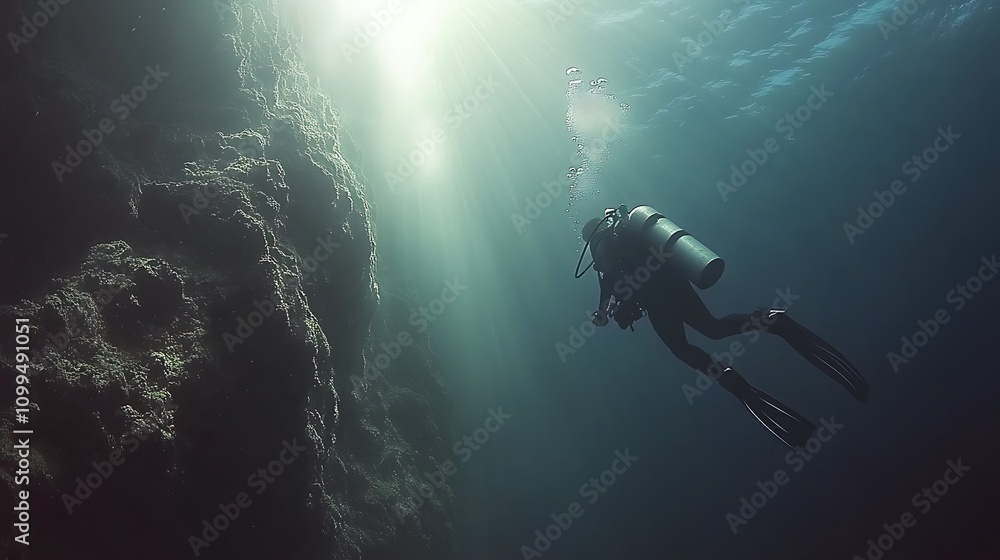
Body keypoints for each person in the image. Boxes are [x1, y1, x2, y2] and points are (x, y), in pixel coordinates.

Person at [577, 205, 869, 448]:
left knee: (682, 349)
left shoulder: (602, 253)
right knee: (714, 328)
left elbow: (610, 287)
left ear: (590, 238)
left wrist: (604, 313)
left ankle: (732, 381)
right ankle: (772, 320)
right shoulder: (626, 234)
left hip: (659, 304)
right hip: (676, 286)